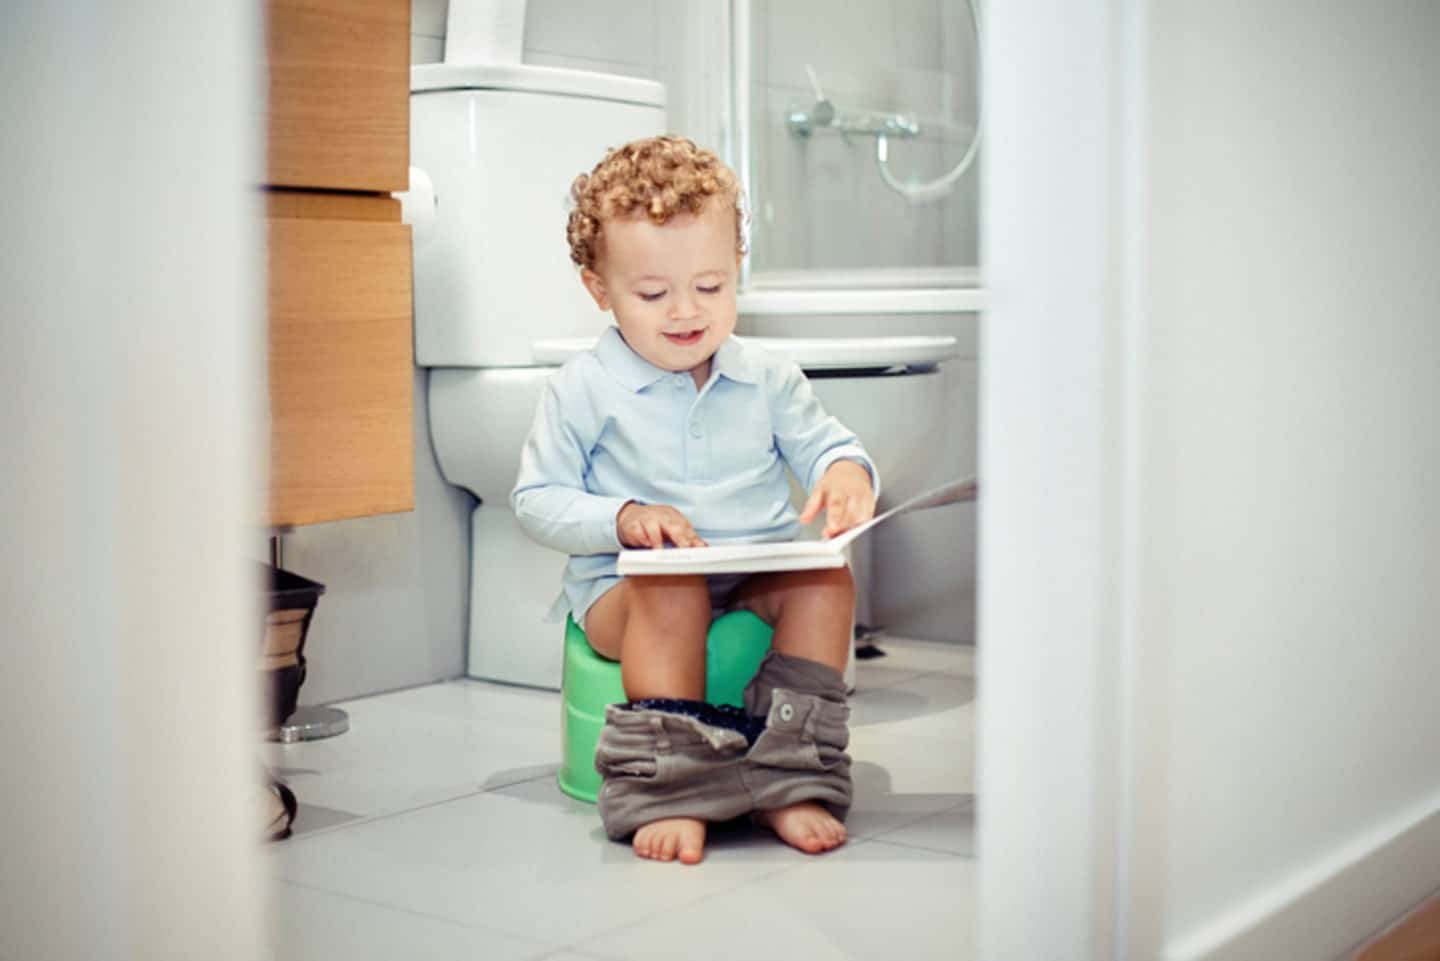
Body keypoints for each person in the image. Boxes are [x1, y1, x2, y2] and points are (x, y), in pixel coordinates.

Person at [511, 135, 879, 865]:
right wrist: (623, 519)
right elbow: (535, 497)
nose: (686, 310)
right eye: (652, 294)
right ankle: (670, 786)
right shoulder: (583, 387)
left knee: (825, 580)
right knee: (672, 585)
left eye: (710, 287)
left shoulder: (768, 376)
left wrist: (846, 472)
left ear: (737, 269)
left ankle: (789, 770)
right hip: (631, 587)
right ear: (599, 289)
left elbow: (827, 444)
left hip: (748, 569)